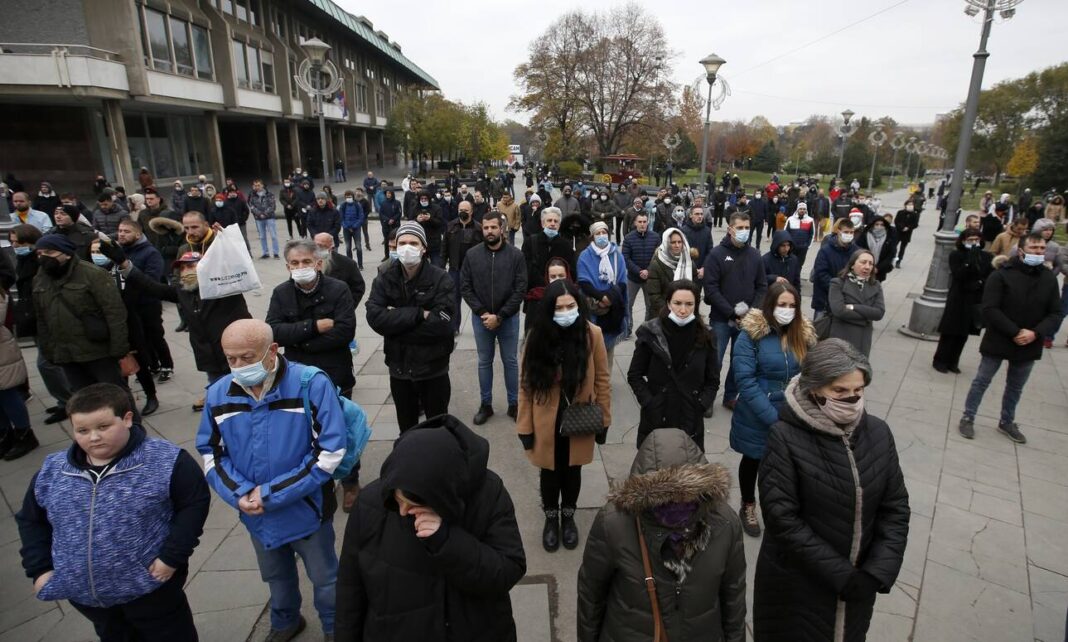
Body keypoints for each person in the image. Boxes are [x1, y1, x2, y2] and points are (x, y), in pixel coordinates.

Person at [16, 383, 210, 641]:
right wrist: (39, 569)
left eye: (103, 427)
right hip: (87, 597)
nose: (93, 437)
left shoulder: (166, 460)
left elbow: (193, 505)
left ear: (127, 419)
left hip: (151, 590)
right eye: (82, 430)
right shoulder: (53, 470)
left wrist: (171, 558)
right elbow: (31, 520)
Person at [197, 320, 347, 642]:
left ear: (272, 352)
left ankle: (336, 628)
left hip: (307, 509)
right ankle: (285, 621)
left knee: (325, 578)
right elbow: (211, 453)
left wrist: (267, 494)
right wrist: (239, 494)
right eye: (231, 359)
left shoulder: (310, 384)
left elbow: (330, 453)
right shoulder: (219, 394)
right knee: (276, 576)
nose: (238, 366)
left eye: (246, 357)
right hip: (256, 515)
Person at [754, 339, 910, 642]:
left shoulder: (879, 433)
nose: (851, 399)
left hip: (859, 588)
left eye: (858, 391)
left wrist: (877, 570)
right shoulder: (784, 438)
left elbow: (895, 507)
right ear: (815, 389)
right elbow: (782, 519)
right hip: (798, 587)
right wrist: (841, 575)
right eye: (839, 391)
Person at [335, 414, 526, 642]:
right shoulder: (369, 504)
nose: (404, 511)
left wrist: (448, 541)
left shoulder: (489, 495)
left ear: (443, 497)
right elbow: (349, 592)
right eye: (397, 500)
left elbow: (507, 570)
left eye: (413, 505)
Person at [577, 428, 746, 642]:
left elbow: (734, 597)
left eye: (686, 493)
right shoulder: (615, 523)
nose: (678, 503)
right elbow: (591, 595)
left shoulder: (725, 524)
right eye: (666, 496)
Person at [517, 279, 611, 552]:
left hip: (579, 416)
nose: (566, 312)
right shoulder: (537, 336)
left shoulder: (592, 334)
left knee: (572, 471)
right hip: (545, 418)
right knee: (549, 472)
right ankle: (551, 518)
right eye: (560, 308)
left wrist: (604, 419)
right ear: (549, 309)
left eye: (571, 306)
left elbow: (602, 380)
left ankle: (568, 517)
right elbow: (525, 384)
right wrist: (524, 426)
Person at [112, 247, 251, 412]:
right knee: (218, 388)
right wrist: (124, 264)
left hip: (235, 350)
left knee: (245, 390)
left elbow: (238, 267)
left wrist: (225, 239)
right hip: (207, 354)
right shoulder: (181, 291)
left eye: (191, 266)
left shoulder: (224, 287)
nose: (186, 271)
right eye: (182, 268)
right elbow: (150, 286)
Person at [957, 232, 1061, 443]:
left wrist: (1035, 333)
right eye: (1034, 248)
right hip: (1000, 338)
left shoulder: (1048, 278)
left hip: (1030, 342)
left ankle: (1007, 421)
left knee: (1015, 386)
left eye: (1042, 249)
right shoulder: (1001, 274)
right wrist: (1015, 332)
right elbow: (990, 308)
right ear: (1021, 250)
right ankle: (968, 417)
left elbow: (1055, 313)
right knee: (982, 381)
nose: (1039, 252)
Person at [730, 282, 816, 537]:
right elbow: (745, 381)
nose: (787, 310)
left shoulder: (804, 334)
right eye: (782, 305)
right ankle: (748, 505)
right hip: (759, 412)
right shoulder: (751, 335)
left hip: (794, 411)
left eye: (792, 306)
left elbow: (811, 374)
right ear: (770, 306)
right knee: (754, 459)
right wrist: (773, 417)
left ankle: (780, 509)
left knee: (785, 466)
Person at [365, 221, 455, 432]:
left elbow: (442, 324)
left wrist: (396, 323)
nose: (407, 247)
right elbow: (376, 318)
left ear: (423, 247)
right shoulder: (385, 277)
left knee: (438, 427)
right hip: (399, 368)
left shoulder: (441, 278)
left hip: (433, 368)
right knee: (406, 428)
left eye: (413, 243)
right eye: (401, 243)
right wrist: (418, 314)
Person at [33, 235, 131, 396]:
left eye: (49, 252)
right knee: (85, 398)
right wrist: (48, 350)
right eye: (39, 253)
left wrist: (119, 350)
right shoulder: (40, 279)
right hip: (66, 354)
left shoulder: (92, 274)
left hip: (98, 351)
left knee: (114, 395)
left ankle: (130, 421)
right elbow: (42, 317)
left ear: (67, 253)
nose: (43, 257)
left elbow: (114, 313)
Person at [627, 279, 718, 451]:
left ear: (696, 305)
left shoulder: (707, 336)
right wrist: (649, 402)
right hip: (657, 415)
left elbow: (712, 379)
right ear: (668, 303)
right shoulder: (650, 333)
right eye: (677, 303)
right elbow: (635, 375)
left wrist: (701, 404)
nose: (683, 310)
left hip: (690, 416)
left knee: (688, 473)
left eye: (689, 304)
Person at [266, 238, 357, 397]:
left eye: (306, 261)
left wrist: (298, 342)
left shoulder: (339, 289)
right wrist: (313, 327)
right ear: (288, 267)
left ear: (318, 264)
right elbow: (273, 331)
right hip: (296, 373)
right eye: (295, 263)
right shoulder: (281, 293)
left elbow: (345, 332)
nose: (300, 267)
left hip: (334, 372)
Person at [460, 213, 527, 424]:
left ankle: (514, 404)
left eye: (493, 227)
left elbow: (520, 288)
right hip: (482, 319)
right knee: (484, 362)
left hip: (508, 319)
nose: (489, 231)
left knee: (510, 362)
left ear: (502, 229)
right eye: (486, 227)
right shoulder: (472, 255)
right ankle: (485, 404)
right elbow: (465, 286)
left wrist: (500, 315)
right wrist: (482, 313)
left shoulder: (516, 255)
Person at [703, 211, 767, 410]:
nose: (744, 231)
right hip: (721, 319)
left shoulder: (755, 255)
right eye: (740, 228)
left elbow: (762, 286)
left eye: (747, 228)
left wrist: (750, 314)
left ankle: (731, 396)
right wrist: (732, 313)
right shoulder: (716, 254)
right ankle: (708, 399)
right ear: (730, 229)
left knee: (739, 362)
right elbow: (711, 289)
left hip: (747, 321)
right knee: (715, 361)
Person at [933, 229, 994, 373]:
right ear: (963, 240)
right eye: (970, 239)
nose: (974, 242)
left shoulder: (986, 256)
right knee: (950, 331)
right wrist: (968, 263)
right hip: (958, 297)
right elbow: (957, 274)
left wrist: (979, 283)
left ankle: (953, 361)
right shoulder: (956, 255)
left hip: (974, 298)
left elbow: (989, 275)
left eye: (976, 239)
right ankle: (940, 360)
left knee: (964, 333)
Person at [577, 221, 628, 363]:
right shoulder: (585, 256)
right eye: (598, 233)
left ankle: (604, 383)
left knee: (608, 351)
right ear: (592, 236)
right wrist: (601, 297)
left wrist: (610, 298)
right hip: (593, 306)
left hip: (612, 306)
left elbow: (623, 281)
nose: (601, 236)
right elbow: (583, 281)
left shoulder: (617, 255)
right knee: (590, 348)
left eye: (604, 232)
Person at [522, 207, 575, 328]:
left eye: (556, 221)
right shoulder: (531, 242)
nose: (552, 224)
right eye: (549, 220)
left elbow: (571, 272)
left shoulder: (566, 245)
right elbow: (526, 269)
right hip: (535, 301)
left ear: (559, 225)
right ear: (542, 223)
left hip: (559, 301)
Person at [827, 250, 885, 357]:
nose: (867, 267)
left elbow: (879, 313)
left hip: (863, 340)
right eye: (863, 262)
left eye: (870, 263)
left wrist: (854, 307)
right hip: (841, 337)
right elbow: (839, 311)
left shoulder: (875, 285)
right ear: (852, 264)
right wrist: (867, 317)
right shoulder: (838, 283)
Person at [646, 228, 698, 319]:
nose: (677, 245)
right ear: (666, 243)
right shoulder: (656, 264)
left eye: (679, 242)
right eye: (673, 242)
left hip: (685, 314)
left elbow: (695, 290)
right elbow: (654, 295)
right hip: (662, 315)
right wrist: (672, 311)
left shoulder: (689, 263)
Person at [811, 220, 858, 319]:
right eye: (846, 232)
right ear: (839, 231)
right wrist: (837, 288)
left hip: (846, 299)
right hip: (824, 299)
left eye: (851, 232)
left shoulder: (856, 251)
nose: (849, 235)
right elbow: (820, 273)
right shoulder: (825, 250)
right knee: (820, 330)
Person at [620, 211, 659, 328]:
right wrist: (638, 271)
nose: (642, 224)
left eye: (644, 222)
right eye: (640, 222)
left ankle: (647, 328)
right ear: (635, 223)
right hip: (633, 278)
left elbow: (658, 257)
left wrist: (648, 271)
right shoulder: (628, 238)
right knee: (628, 304)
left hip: (650, 278)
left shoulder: (655, 237)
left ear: (648, 222)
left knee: (650, 305)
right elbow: (625, 258)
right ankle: (628, 328)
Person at [312, 233, 366, 310]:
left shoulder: (347, 264)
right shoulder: (305, 262)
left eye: (321, 246)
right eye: (315, 246)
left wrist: (347, 308)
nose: (317, 249)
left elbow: (358, 288)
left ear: (331, 247)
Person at [855, 215, 897, 282]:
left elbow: (890, 255)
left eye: (881, 225)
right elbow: (858, 250)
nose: (879, 227)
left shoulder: (889, 238)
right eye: (876, 224)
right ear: (872, 225)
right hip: (863, 269)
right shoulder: (865, 236)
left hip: (879, 271)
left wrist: (877, 268)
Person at [248, 178, 280, 259]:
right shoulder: (252, 195)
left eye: (259, 185)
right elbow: (251, 206)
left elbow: (272, 206)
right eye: (255, 185)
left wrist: (264, 213)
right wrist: (259, 214)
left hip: (269, 217)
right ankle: (265, 253)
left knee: (273, 235)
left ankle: (276, 253)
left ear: (262, 185)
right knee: (262, 236)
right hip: (259, 218)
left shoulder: (269, 194)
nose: (257, 187)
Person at [337, 189, 366, 268]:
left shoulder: (357, 205)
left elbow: (361, 217)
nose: (348, 198)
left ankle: (360, 265)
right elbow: (341, 218)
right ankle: (351, 265)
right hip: (346, 229)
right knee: (348, 247)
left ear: (352, 197)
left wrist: (354, 226)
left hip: (356, 229)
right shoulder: (343, 206)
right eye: (346, 197)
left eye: (349, 197)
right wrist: (346, 226)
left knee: (358, 247)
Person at [784, 201, 816, 266]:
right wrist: (787, 245)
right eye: (800, 209)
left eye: (804, 209)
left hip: (803, 248)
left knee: (799, 265)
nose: (802, 210)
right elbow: (785, 233)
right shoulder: (790, 219)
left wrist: (807, 246)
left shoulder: (810, 220)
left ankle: (797, 276)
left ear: (806, 210)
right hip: (792, 247)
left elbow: (812, 234)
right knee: (790, 264)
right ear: (797, 209)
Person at [378, 188, 402, 260]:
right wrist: (388, 220)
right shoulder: (383, 203)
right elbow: (381, 214)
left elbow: (399, 213)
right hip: (386, 225)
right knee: (386, 241)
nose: (388, 195)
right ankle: (387, 256)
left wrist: (393, 219)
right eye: (387, 193)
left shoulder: (397, 203)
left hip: (395, 224)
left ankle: (397, 255)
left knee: (395, 240)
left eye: (389, 193)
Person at [893, 200, 920, 267]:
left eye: (911, 205)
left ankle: (898, 261)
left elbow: (915, 224)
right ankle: (892, 258)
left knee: (902, 248)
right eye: (909, 204)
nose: (910, 206)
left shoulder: (915, 214)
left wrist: (908, 228)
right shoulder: (900, 212)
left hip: (907, 233)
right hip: (898, 232)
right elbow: (896, 221)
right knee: (893, 246)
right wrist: (901, 227)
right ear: (905, 205)